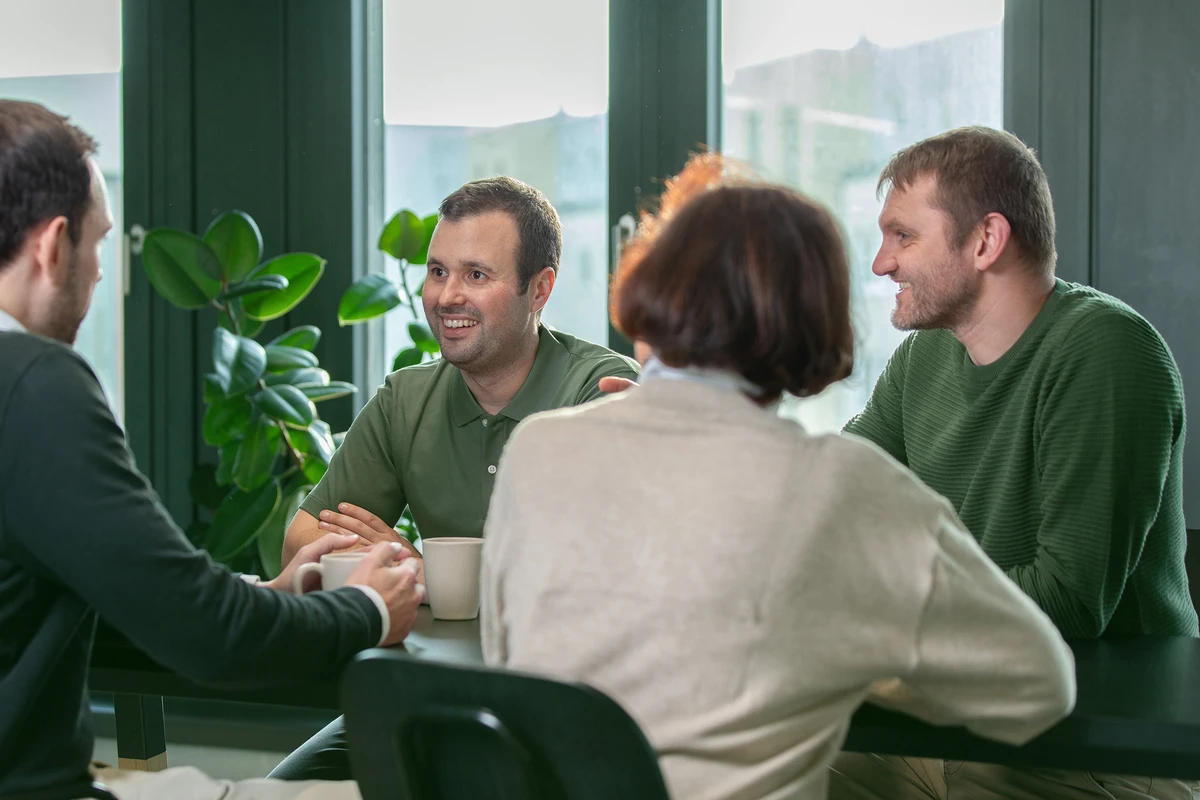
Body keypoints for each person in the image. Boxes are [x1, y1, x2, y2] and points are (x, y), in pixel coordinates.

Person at [479, 153, 1076, 800]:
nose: (885, 261)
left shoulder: (537, 450)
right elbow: (1037, 687)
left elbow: (510, 658)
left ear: (652, 288)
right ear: (814, 319)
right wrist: (843, 653)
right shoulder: (844, 486)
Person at [0, 100, 425, 800]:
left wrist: (269, 597)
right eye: (99, 244)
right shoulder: (34, 384)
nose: (101, 274)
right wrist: (370, 608)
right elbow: (207, 638)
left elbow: (121, 592)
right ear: (52, 247)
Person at [829, 126, 1199, 799]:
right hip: (960, 719)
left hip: (1099, 743)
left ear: (985, 241)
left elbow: (1066, 602)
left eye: (902, 236)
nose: (880, 264)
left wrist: (873, 610)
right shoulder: (925, 359)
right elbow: (835, 489)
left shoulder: (1108, 353)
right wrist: (701, 428)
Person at [271, 177, 639, 779]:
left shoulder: (597, 390)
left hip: (569, 703)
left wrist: (417, 568)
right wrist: (424, 572)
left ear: (539, 288)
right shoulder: (405, 397)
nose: (446, 297)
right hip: (428, 693)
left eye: (476, 275)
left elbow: (584, 578)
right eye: (437, 271)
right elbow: (303, 540)